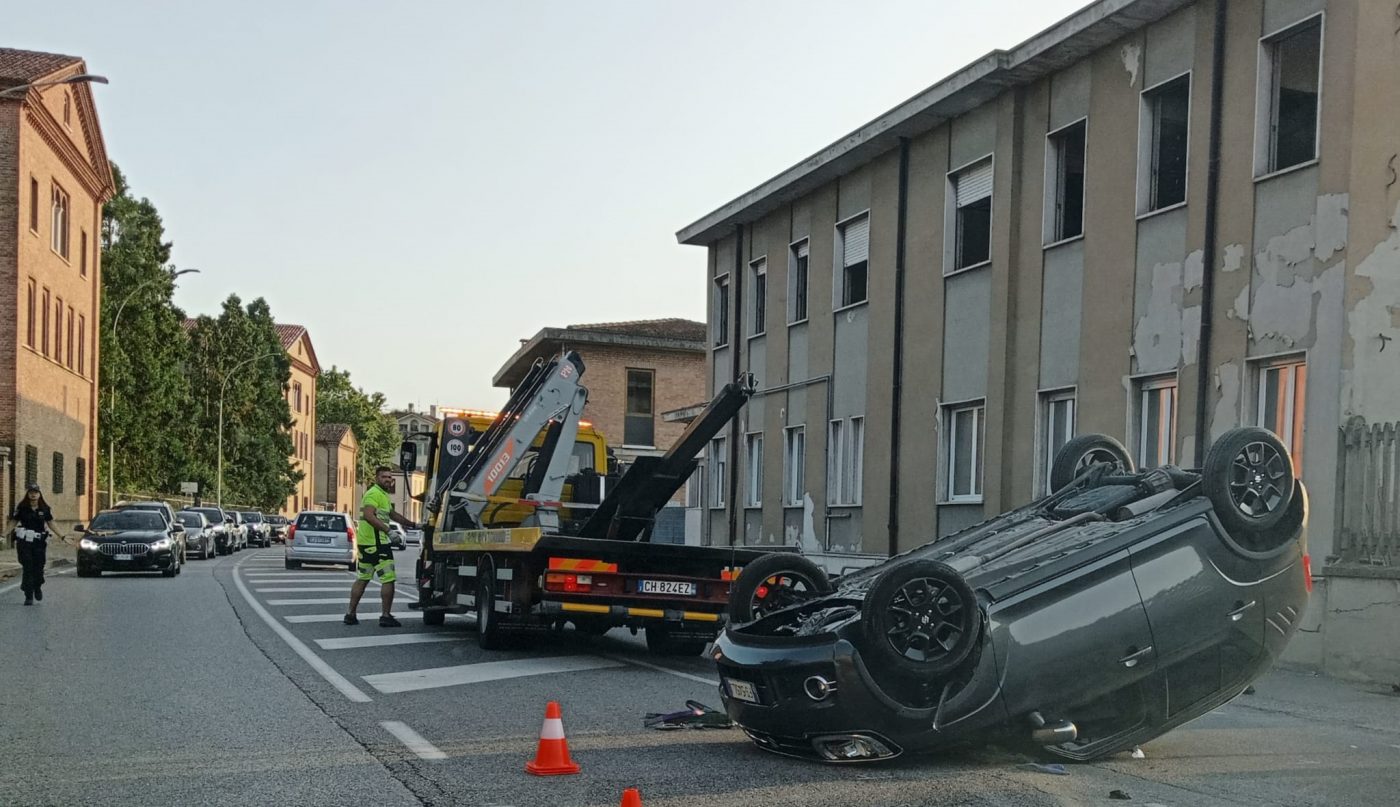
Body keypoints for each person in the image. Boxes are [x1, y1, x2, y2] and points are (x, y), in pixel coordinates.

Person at [346, 465, 418, 627]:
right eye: (384, 477)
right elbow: (368, 515)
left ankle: (350, 614)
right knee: (388, 579)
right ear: (376, 478)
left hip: (366, 544)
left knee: (363, 578)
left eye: (390, 477)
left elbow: (392, 514)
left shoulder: (383, 495)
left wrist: (413, 524)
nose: (388, 480)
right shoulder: (373, 494)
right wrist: (389, 532)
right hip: (377, 543)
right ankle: (385, 615)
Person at [10, 484, 65, 605]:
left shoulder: (44, 508)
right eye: (31, 492)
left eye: (35, 492)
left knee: (39, 568)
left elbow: (51, 523)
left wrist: (62, 536)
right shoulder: (22, 507)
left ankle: (37, 586)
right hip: (24, 542)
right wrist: (3, 535)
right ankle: (28, 595)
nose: (33, 494)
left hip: (39, 543)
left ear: (39, 494)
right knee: (28, 567)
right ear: (28, 494)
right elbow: (13, 522)